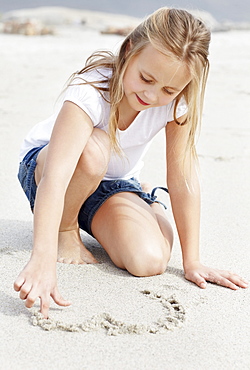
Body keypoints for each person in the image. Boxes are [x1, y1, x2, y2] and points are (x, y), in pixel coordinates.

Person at [14, 8, 248, 319]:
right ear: (129, 51)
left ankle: (149, 202)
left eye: (168, 90)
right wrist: (41, 258)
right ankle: (65, 228)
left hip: (112, 186)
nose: (151, 95)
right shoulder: (91, 89)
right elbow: (56, 176)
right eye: (146, 78)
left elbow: (181, 177)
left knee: (148, 262)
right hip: (52, 170)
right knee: (93, 154)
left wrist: (192, 261)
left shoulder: (177, 105)